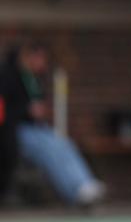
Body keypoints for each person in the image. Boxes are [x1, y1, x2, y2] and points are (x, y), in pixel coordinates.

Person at [0, 41, 105, 206]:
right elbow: (7, 109)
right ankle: (74, 191)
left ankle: (85, 183)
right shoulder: (8, 75)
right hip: (15, 131)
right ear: (30, 57)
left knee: (62, 143)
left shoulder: (34, 79)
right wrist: (27, 110)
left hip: (36, 128)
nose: (43, 64)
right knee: (48, 149)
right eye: (40, 59)